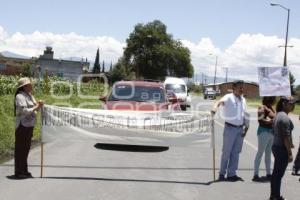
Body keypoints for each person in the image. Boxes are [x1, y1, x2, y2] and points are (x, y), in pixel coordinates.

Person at [211, 80, 248, 182]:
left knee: (236, 153)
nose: (241, 89)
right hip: (230, 128)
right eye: (240, 87)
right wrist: (214, 108)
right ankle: (222, 174)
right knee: (226, 152)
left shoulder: (243, 100)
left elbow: (245, 114)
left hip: (240, 129)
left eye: (242, 87)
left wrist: (246, 128)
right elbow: (219, 102)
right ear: (234, 87)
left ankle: (232, 174)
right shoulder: (228, 97)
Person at [14, 77, 43, 179]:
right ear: (25, 86)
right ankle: (19, 172)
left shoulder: (30, 96)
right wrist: (36, 107)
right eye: (30, 84)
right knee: (20, 149)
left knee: (26, 149)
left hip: (29, 125)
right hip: (22, 126)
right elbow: (24, 111)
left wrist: (39, 105)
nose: (32, 86)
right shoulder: (20, 96)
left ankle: (24, 170)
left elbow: (35, 109)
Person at [269, 96, 295, 200]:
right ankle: (275, 196)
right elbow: (286, 136)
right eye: (291, 103)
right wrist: (289, 153)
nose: (293, 105)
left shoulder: (278, 115)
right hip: (281, 148)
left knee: (276, 173)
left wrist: (290, 143)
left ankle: (274, 195)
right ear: (284, 104)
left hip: (276, 146)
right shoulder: (284, 117)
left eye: (293, 103)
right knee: (278, 174)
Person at [252, 96, 276, 182]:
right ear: (269, 99)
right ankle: (255, 174)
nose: (275, 99)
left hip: (271, 132)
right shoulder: (262, 107)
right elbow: (260, 119)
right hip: (264, 132)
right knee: (260, 152)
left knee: (268, 153)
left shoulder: (271, 108)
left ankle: (268, 173)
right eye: (274, 98)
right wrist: (269, 122)